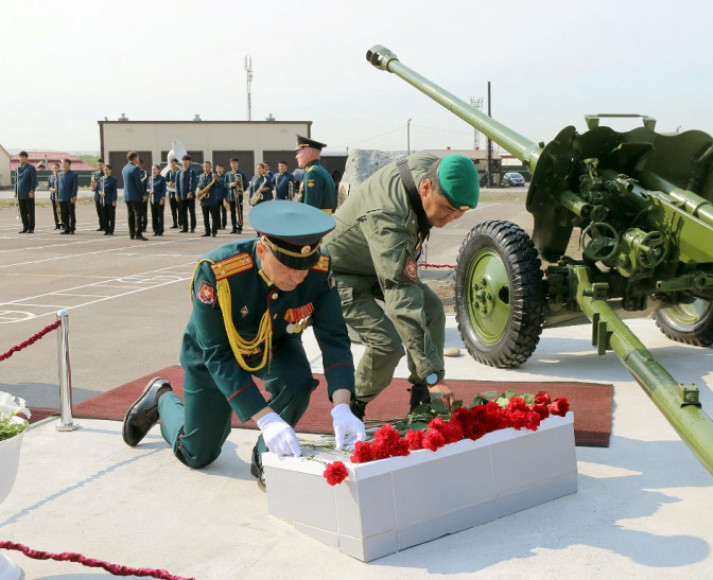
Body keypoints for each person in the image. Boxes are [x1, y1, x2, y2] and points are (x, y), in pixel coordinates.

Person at [121, 201, 365, 491]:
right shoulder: (218, 272)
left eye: (304, 268)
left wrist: (342, 406)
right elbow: (216, 353)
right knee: (198, 454)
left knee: (297, 382)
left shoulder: (319, 269)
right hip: (215, 355)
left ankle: (267, 456)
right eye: (289, 267)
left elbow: (334, 338)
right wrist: (266, 419)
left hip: (273, 344)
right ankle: (161, 399)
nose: (299, 278)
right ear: (262, 251)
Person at [323, 153, 479, 419]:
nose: (451, 218)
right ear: (426, 188)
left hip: (373, 262)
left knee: (433, 310)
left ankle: (422, 399)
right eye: (447, 208)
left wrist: (428, 379)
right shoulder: (389, 218)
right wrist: (433, 375)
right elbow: (402, 299)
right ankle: (351, 409)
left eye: (459, 213)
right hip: (339, 273)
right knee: (386, 344)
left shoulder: (430, 171)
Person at [294, 134, 336, 213]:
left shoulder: (313, 174)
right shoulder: (321, 171)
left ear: (309, 152)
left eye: (298, 153)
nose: (296, 157)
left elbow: (310, 210)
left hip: (317, 220)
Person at [122, 151, 147, 241]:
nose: (138, 159)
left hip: (127, 195)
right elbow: (138, 183)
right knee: (138, 214)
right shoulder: (135, 168)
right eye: (137, 157)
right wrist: (143, 194)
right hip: (135, 195)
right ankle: (138, 233)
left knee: (130, 215)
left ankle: (131, 233)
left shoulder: (124, 168)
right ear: (135, 158)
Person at [196, 161, 225, 237]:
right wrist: (198, 190)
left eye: (207, 166)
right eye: (204, 167)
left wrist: (216, 179)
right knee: (205, 217)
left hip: (212, 200)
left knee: (214, 217)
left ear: (210, 167)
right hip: (204, 200)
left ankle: (214, 231)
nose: (206, 168)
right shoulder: (201, 176)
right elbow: (199, 185)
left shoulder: (214, 176)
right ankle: (207, 231)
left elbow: (220, 185)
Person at [15, 151, 38, 234]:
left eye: (23, 157)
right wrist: (16, 191)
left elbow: (33, 181)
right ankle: (25, 227)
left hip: (28, 194)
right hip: (20, 194)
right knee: (23, 212)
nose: (21, 159)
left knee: (30, 212)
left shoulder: (31, 168)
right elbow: (16, 181)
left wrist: (32, 191)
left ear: (26, 158)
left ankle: (31, 228)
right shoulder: (17, 169)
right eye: (20, 157)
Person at [176, 154, 198, 233]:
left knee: (192, 212)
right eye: (183, 161)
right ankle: (185, 228)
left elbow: (194, 183)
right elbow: (177, 185)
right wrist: (177, 194)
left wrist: (191, 192)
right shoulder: (179, 172)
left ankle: (192, 227)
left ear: (189, 162)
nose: (184, 162)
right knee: (183, 212)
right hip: (182, 196)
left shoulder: (192, 171)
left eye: (186, 161)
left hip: (190, 196)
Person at [225, 157, 248, 234]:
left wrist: (240, 192)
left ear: (238, 164)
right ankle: (234, 227)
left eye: (235, 163)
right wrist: (231, 184)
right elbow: (225, 184)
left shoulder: (242, 173)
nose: (233, 165)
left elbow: (245, 184)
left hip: (239, 196)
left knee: (239, 212)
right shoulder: (228, 174)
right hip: (231, 196)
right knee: (232, 213)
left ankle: (240, 227)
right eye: (232, 163)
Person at [58, 158, 78, 235]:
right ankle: (66, 228)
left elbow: (74, 187)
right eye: (63, 163)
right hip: (62, 198)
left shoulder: (73, 174)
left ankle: (72, 228)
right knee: (64, 214)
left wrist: (73, 197)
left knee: (71, 213)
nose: (64, 165)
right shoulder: (60, 174)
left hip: (70, 198)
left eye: (66, 163)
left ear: (69, 165)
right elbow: (59, 186)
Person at [147, 164, 166, 236]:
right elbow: (147, 187)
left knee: (160, 215)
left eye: (155, 169)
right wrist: (149, 191)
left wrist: (162, 199)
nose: (153, 171)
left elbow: (163, 190)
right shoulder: (150, 178)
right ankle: (155, 230)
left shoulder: (162, 179)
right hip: (152, 200)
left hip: (159, 200)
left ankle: (160, 230)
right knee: (154, 215)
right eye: (152, 169)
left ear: (159, 170)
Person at [101, 164, 118, 235]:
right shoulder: (101, 179)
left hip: (110, 200)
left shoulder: (113, 179)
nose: (105, 171)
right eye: (104, 170)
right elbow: (99, 188)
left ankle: (111, 230)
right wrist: (100, 192)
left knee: (111, 216)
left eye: (106, 169)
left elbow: (114, 191)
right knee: (104, 216)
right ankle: (106, 230)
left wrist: (114, 200)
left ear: (110, 170)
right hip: (103, 200)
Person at [91, 159, 106, 232]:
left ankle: (106, 226)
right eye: (98, 165)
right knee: (99, 211)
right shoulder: (95, 174)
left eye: (100, 164)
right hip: (97, 195)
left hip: (104, 196)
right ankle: (101, 226)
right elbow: (93, 184)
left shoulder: (105, 173)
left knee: (104, 211)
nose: (99, 166)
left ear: (103, 165)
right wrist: (93, 187)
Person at [166, 157, 180, 229]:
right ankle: (175, 223)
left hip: (178, 193)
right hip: (171, 193)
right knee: (173, 209)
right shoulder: (169, 172)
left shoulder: (179, 171)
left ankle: (180, 223)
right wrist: (169, 183)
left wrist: (176, 183)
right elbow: (166, 180)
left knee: (180, 209)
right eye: (171, 163)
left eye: (174, 163)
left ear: (176, 164)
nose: (172, 165)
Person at [48, 163, 62, 230]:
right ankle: (57, 225)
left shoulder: (61, 176)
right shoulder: (50, 177)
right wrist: (51, 189)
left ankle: (63, 224)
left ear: (58, 168)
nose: (54, 169)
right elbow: (49, 186)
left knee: (61, 211)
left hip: (60, 196)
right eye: (53, 168)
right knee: (55, 211)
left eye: (56, 168)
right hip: (53, 196)